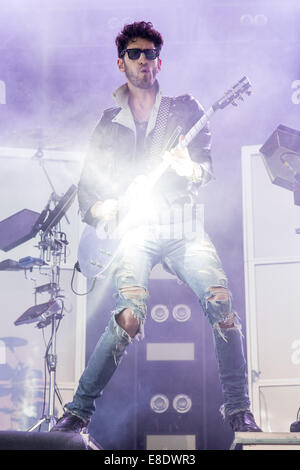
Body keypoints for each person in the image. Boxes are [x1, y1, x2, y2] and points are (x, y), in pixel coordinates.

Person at [50, 21, 261, 437]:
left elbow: (205, 169)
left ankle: (238, 410)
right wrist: (101, 207)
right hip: (136, 229)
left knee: (222, 304)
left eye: (150, 54)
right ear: (121, 63)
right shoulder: (108, 124)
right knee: (128, 317)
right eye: (135, 53)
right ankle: (78, 412)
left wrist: (190, 169)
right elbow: (87, 188)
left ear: (159, 63)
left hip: (183, 225)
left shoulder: (185, 109)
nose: (144, 60)